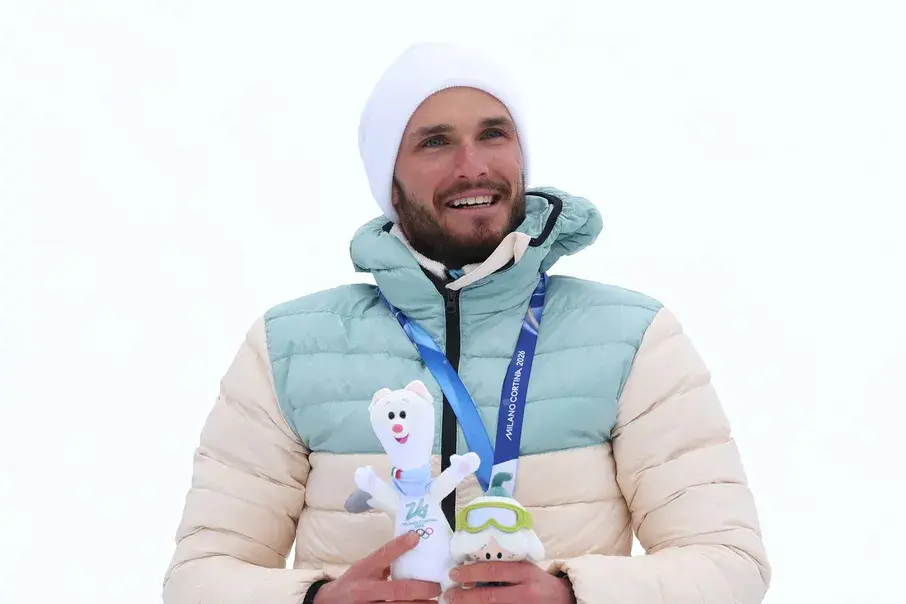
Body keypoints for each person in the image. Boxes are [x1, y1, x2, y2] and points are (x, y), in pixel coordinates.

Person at [162, 42, 771, 604]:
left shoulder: (633, 338)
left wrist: (572, 595)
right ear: (389, 179)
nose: (471, 165)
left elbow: (729, 564)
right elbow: (199, 577)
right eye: (435, 142)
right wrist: (315, 601)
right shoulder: (289, 346)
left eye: (493, 134)